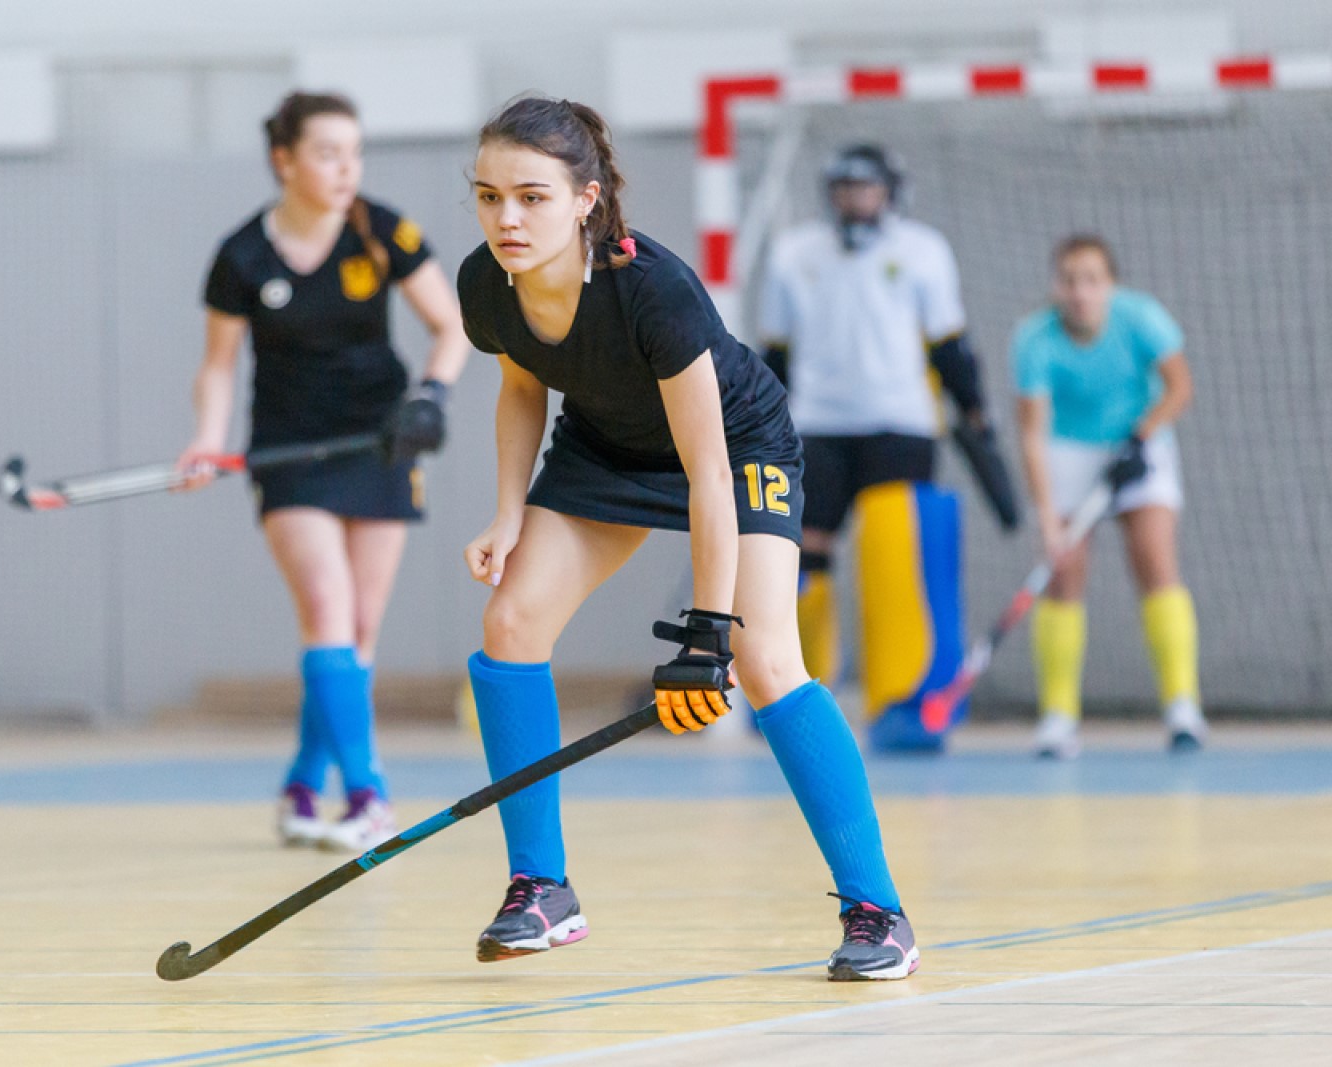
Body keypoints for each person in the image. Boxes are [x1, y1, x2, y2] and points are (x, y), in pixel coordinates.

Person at [457, 96, 916, 981]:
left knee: (766, 658)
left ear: (586, 198)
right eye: (487, 196)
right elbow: (522, 387)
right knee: (511, 623)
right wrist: (509, 512)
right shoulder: (489, 280)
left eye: (531, 197)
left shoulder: (651, 287)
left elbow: (709, 471)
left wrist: (710, 630)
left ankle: (878, 910)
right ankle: (540, 887)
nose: (506, 218)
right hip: (607, 448)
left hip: (735, 449)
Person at [178, 91, 469, 849]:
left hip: (379, 446)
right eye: (328, 152)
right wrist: (208, 438)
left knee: (358, 631)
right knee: (328, 607)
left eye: (355, 152)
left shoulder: (381, 230)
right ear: (285, 160)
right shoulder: (242, 255)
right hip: (291, 453)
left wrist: (430, 396)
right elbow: (216, 367)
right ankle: (369, 797)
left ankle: (304, 785)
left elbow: (451, 325)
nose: (347, 168)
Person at [759, 144, 1008, 751]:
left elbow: (948, 342)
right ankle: (796, 695)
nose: (853, 198)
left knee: (894, 550)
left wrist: (974, 406)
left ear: (891, 192)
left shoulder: (923, 251)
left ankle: (902, 697)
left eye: (865, 187)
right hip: (815, 424)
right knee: (804, 553)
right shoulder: (795, 254)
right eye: (843, 187)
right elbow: (776, 356)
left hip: (901, 424)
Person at [1013, 234, 1204, 759]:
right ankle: (1057, 716)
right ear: (1056, 286)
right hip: (1069, 453)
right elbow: (1032, 434)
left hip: (1140, 443)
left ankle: (1183, 706)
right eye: (1069, 280)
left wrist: (1141, 437)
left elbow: (1180, 389)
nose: (1080, 292)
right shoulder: (1034, 339)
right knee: (1063, 574)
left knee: (1156, 561)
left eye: (1091, 280)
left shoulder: (1142, 319)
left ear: (1109, 284)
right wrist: (1049, 517)